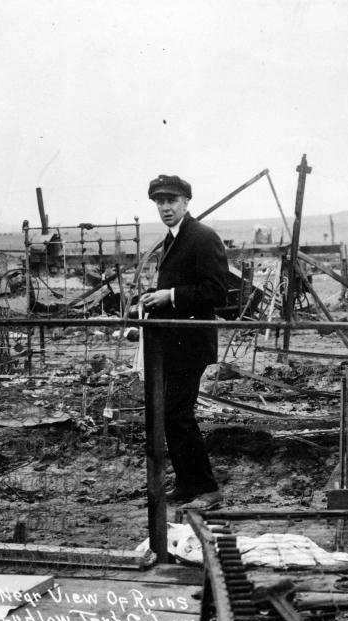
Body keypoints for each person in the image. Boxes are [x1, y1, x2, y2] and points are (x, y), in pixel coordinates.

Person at [141, 174, 229, 508]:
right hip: (173, 341)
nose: (165, 207)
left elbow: (216, 291)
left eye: (171, 201)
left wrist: (171, 295)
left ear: (186, 202)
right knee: (170, 415)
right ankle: (187, 486)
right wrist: (155, 296)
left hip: (190, 342)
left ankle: (207, 489)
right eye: (160, 202)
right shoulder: (174, 237)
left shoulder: (202, 237)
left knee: (178, 415)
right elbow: (179, 284)